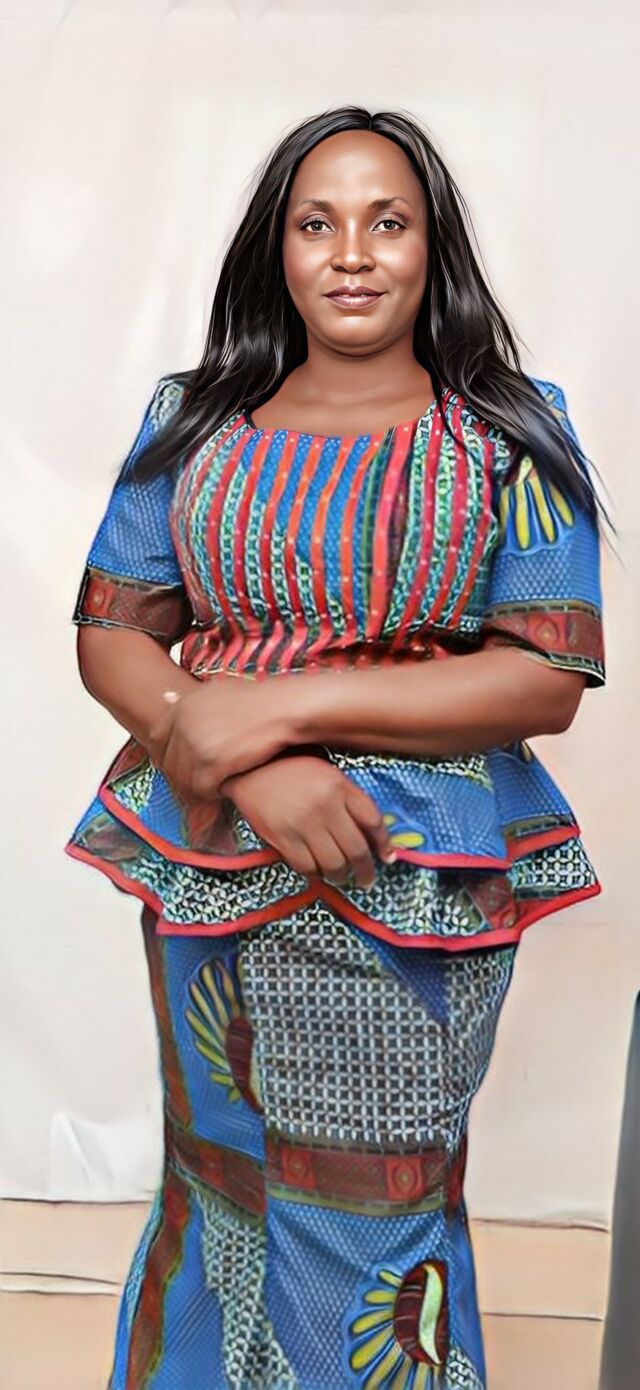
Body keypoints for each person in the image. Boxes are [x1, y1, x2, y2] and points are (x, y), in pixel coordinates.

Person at [65, 107, 608, 1390]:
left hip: (409, 876)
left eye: (386, 222)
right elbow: (113, 633)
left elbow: (546, 674)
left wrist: (281, 709)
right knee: (219, 1186)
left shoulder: (507, 430)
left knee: (369, 1214)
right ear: (279, 246)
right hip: (206, 861)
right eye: (318, 223)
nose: (351, 253)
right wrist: (244, 761)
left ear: (431, 247)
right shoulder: (193, 418)